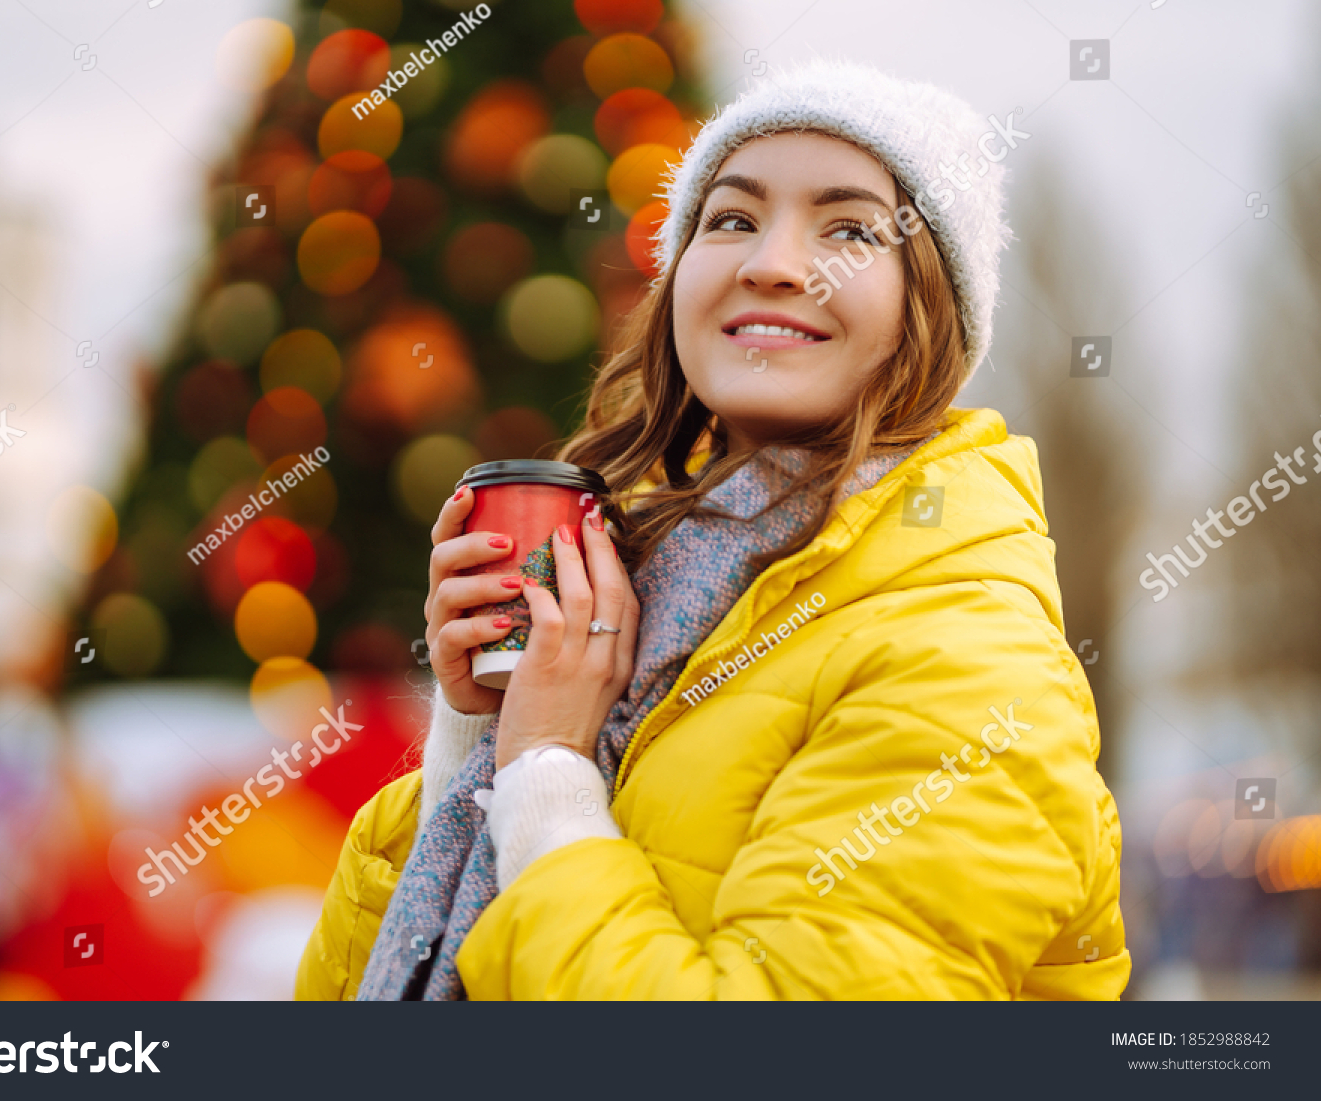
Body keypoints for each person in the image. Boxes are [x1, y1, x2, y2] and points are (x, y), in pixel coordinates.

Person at [295, 58, 1129, 1000]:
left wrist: (546, 768)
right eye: (730, 217)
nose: (768, 261)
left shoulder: (969, 665)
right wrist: (482, 727)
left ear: (928, 313)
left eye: (850, 229)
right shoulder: (641, 589)